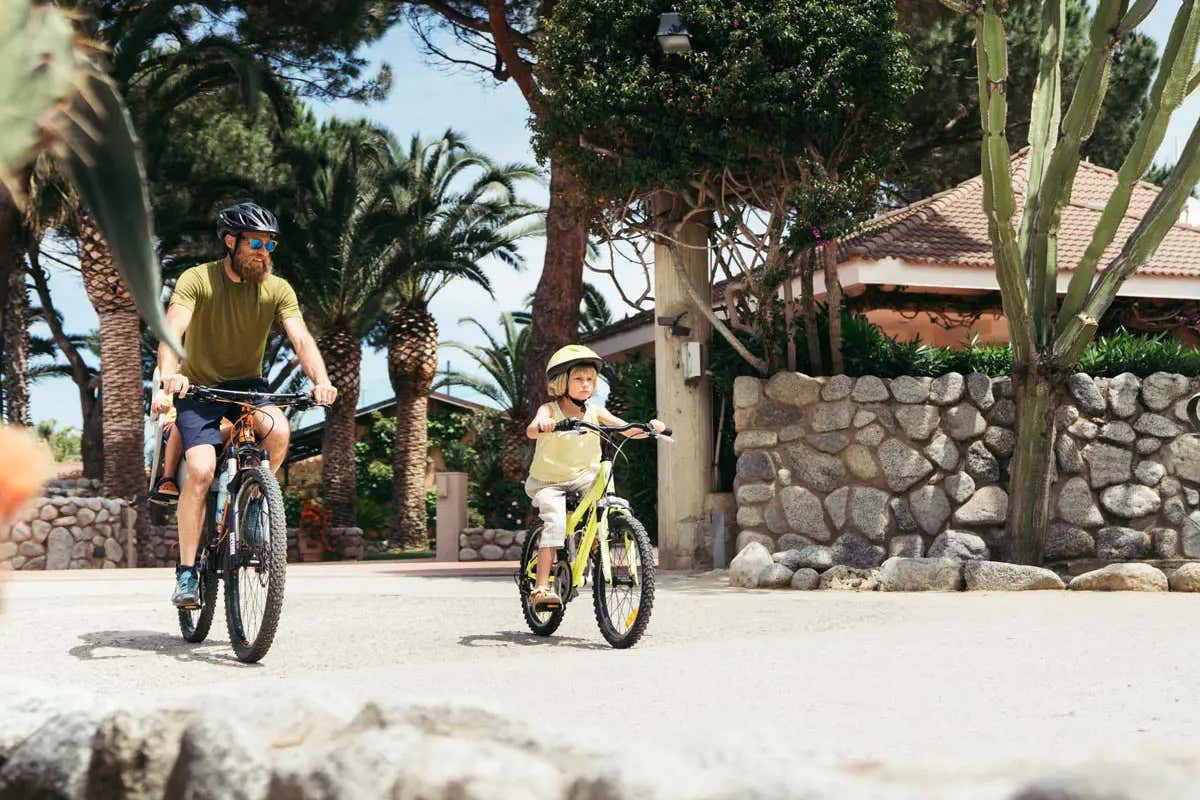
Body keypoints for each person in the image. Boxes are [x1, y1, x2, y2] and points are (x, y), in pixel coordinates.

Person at [153, 202, 337, 608]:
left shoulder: (278, 288)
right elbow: (172, 331)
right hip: (198, 389)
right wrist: (170, 375)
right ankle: (187, 573)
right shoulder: (197, 279)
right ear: (230, 241)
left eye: (270, 244)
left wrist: (321, 381)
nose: (263, 252)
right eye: (255, 243)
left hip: (249, 388)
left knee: (279, 430)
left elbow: (301, 339)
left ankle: (254, 504)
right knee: (201, 470)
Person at [524, 345, 665, 610]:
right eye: (578, 379)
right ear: (561, 382)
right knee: (555, 521)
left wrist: (648, 429)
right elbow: (532, 430)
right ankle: (541, 588)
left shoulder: (595, 411)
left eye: (590, 379)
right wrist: (544, 425)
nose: (586, 384)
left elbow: (625, 429)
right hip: (549, 483)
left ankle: (598, 543)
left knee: (604, 498)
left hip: (583, 478)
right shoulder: (549, 410)